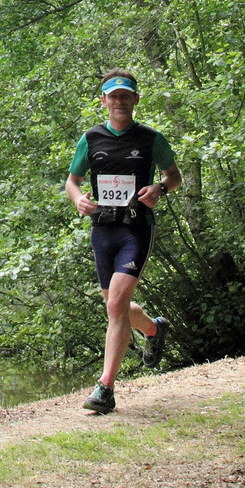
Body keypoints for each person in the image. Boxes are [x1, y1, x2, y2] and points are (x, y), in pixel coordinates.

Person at [65, 69, 182, 414]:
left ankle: (105, 389)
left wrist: (159, 188)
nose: (119, 102)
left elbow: (174, 176)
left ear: (135, 100)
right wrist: (77, 200)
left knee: (116, 305)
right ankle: (152, 329)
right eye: (113, 96)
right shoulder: (90, 138)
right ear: (103, 101)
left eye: (125, 96)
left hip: (135, 228)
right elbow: (72, 180)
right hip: (103, 230)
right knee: (115, 307)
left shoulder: (151, 138)